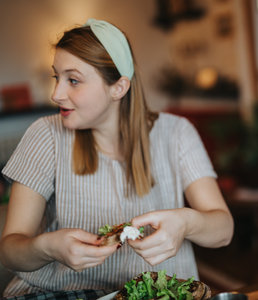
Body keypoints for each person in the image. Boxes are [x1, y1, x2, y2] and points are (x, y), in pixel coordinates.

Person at [0, 19, 234, 297]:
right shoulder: (45, 135)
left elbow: (223, 231)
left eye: (73, 80)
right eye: (57, 77)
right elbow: (9, 251)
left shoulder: (177, 133)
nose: (56, 94)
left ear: (118, 88)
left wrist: (186, 223)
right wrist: (47, 248)